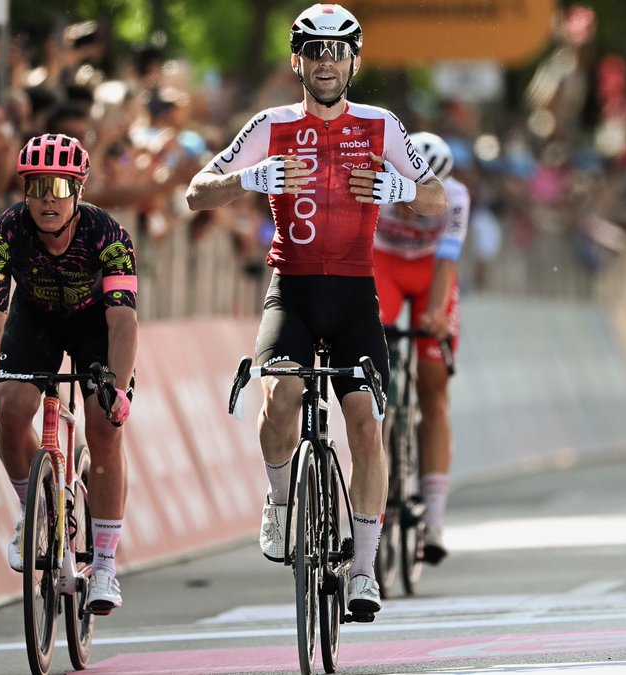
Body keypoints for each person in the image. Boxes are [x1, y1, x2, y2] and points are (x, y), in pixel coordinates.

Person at [185, 2, 446, 616]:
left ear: (353, 61)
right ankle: (279, 502)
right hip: (292, 290)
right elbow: (197, 191)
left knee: (365, 423)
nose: (326, 62)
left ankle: (363, 570)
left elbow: (436, 198)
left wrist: (402, 190)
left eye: (338, 51)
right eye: (315, 51)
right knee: (280, 398)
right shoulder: (269, 125)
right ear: (297, 60)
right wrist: (251, 180)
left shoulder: (380, 125)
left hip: (354, 293)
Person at [0, 133, 138, 615]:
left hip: (94, 323)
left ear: (78, 191)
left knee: (104, 428)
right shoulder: (4, 233)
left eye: (59, 187)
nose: (47, 200)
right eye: (36, 187)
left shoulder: (108, 234)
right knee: (13, 409)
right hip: (34, 319)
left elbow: (123, 320)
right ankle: (32, 508)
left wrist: (116, 388)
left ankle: (103, 565)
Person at [372, 131, 467, 565]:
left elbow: (448, 258)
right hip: (385, 263)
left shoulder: (457, 197)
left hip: (431, 270)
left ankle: (435, 521)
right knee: (369, 348)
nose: (414, 213)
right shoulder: (379, 178)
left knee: (434, 392)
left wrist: (435, 317)